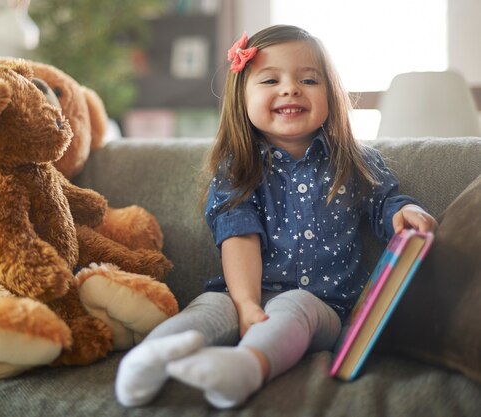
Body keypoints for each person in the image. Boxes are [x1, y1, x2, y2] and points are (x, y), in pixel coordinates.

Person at [115, 24, 438, 409]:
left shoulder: (354, 161)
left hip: (322, 307)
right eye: (270, 79)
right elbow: (239, 236)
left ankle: (245, 367)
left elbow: (386, 201)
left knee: (294, 306)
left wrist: (406, 210)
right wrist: (247, 304)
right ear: (243, 98)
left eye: (308, 79)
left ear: (331, 96)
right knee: (208, 308)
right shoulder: (237, 168)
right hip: (239, 292)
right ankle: (146, 361)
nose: (291, 89)